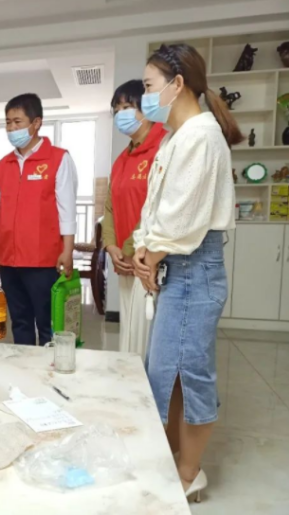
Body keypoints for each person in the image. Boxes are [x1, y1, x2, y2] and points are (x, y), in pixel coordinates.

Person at [132, 43, 242, 501]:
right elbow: (156, 210)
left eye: (148, 86)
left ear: (177, 84)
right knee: (167, 372)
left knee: (190, 373)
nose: (144, 96)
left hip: (193, 268)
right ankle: (174, 456)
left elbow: (183, 219)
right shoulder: (177, 137)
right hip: (176, 264)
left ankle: (189, 472)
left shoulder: (200, 135)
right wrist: (145, 248)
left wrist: (151, 254)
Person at [0, 93, 78, 345]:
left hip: (43, 260)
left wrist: (67, 251)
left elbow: (67, 209)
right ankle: (24, 365)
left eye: (17, 122)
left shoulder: (58, 159)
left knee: (48, 323)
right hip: (9, 259)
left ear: (36, 123)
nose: (11, 128)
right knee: (20, 321)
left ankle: (50, 367)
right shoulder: (3, 165)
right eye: (8, 122)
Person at [103, 80, 168, 360]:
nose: (121, 114)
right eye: (117, 109)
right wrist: (111, 247)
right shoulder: (122, 159)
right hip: (125, 260)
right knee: (129, 334)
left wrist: (130, 249)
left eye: (128, 107)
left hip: (151, 261)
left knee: (147, 338)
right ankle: (127, 381)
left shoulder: (163, 147)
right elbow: (109, 206)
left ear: (147, 108)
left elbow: (157, 207)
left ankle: (145, 385)